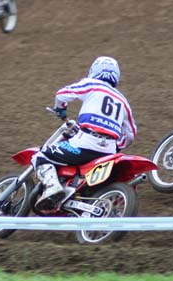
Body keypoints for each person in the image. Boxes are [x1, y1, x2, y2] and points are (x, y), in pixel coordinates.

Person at [31, 57, 137, 210]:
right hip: (108, 151)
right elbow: (131, 134)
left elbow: (62, 94)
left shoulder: (92, 84)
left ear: (94, 71)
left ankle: (52, 187)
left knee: (41, 155)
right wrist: (116, 145)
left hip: (85, 143)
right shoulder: (123, 101)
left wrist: (60, 109)